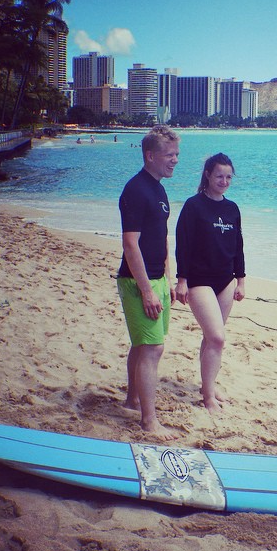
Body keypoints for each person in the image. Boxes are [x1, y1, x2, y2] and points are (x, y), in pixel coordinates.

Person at [117, 125, 180, 440]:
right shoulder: (136, 190)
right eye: (170, 155)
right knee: (153, 348)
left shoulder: (159, 188)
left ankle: (132, 400)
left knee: (144, 345)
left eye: (177, 155)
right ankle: (149, 421)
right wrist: (146, 291)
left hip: (158, 278)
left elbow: (161, 237)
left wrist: (168, 278)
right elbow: (131, 245)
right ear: (150, 155)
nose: (175, 161)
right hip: (138, 281)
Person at [175, 153, 246, 413]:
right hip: (199, 280)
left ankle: (209, 385)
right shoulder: (194, 206)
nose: (224, 181)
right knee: (217, 337)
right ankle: (208, 398)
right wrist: (181, 280)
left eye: (228, 177)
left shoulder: (232, 208)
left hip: (225, 280)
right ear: (207, 174)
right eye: (219, 176)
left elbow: (238, 246)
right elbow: (183, 245)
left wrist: (241, 281)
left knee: (210, 338)